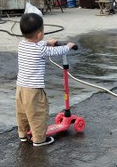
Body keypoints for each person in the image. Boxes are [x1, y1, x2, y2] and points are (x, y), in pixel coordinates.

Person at [16, 13, 75, 147]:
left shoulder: (22, 44)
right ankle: (39, 139)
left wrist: (47, 42)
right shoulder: (41, 49)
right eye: (42, 31)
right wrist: (68, 46)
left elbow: (38, 45)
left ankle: (23, 135)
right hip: (34, 90)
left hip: (20, 88)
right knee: (38, 114)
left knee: (23, 113)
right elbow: (55, 52)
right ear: (38, 34)